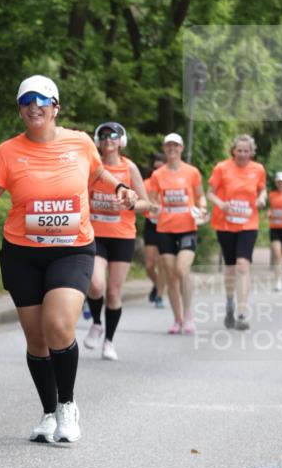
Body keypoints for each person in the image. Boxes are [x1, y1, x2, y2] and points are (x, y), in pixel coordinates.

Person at [0, 75, 135, 445]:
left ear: (56, 107)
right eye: (26, 102)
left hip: (71, 249)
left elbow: (99, 173)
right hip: (22, 254)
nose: (34, 107)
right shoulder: (8, 152)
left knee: (59, 326)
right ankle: (47, 413)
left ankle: (67, 406)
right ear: (20, 110)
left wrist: (121, 188)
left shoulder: (79, 143)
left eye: (41, 101)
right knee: (37, 340)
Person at [84, 122, 150, 360]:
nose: (108, 139)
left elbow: (146, 203)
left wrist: (130, 203)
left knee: (113, 293)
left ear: (121, 141)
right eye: (103, 135)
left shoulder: (128, 168)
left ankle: (109, 341)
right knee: (96, 285)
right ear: (97, 141)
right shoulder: (92, 167)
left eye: (113, 135)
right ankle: (96, 323)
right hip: (96, 234)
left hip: (122, 236)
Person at [147, 133, 207, 335]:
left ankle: (188, 314)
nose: (172, 148)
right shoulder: (158, 175)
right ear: (165, 149)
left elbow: (201, 197)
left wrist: (203, 208)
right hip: (164, 229)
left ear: (181, 148)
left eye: (176, 145)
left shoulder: (192, 172)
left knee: (182, 270)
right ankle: (177, 318)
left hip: (187, 228)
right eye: (168, 146)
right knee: (171, 276)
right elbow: (152, 200)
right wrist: (153, 207)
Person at [208, 134, 267, 331]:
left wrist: (261, 198)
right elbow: (210, 193)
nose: (242, 154)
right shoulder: (221, 168)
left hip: (248, 223)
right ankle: (230, 302)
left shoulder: (258, 169)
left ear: (251, 152)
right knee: (231, 268)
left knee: (243, 264)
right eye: (239, 150)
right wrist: (221, 204)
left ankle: (242, 312)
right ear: (233, 151)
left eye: (246, 151)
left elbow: (262, 190)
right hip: (225, 223)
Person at [143, 152, 167, 308]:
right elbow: (142, 202)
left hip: (166, 225)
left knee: (162, 262)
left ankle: (159, 296)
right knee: (149, 265)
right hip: (151, 224)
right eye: (154, 168)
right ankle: (157, 284)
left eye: (160, 168)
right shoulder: (146, 183)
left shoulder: (171, 182)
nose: (156, 172)